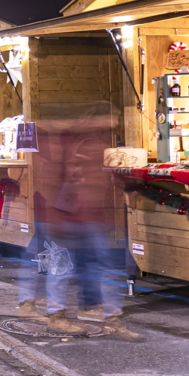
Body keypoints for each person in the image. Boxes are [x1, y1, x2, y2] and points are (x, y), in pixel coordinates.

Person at [36, 101, 136, 339]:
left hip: (91, 216)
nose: (115, 122)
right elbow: (52, 177)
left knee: (100, 267)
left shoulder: (95, 142)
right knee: (73, 267)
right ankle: (59, 317)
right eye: (113, 117)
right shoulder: (74, 142)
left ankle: (103, 315)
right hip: (72, 215)